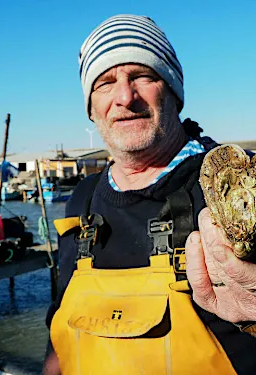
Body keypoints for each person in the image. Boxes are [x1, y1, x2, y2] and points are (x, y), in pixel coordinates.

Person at [43, 14, 256, 375]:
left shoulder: (236, 185)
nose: (125, 97)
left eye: (144, 75)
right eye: (105, 83)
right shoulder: (82, 199)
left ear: (174, 92)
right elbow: (59, 328)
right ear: (91, 109)